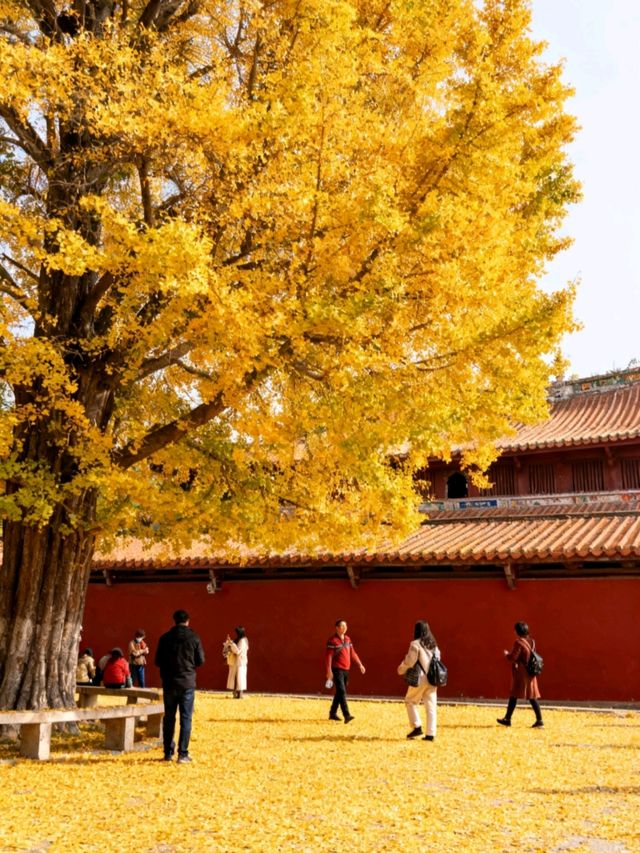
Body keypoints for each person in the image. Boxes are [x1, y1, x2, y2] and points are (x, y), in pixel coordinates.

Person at [155, 609, 205, 764]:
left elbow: (157, 661)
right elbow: (201, 660)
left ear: (174, 620)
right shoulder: (194, 638)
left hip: (169, 683)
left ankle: (167, 753)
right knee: (186, 718)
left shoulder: (164, 638)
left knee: (169, 718)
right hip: (187, 683)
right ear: (188, 621)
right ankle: (183, 754)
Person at [397, 620, 441, 741]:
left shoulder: (415, 644)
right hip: (433, 678)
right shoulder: (433, 644)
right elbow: (438, 657)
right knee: (431, 706)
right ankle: (430, 734)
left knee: (410, 701)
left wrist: (401, 669)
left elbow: (410, 661)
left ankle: (417, 726)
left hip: (420, 678)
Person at [497, 621, 544, 728]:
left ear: (517, 631)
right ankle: (539, 720)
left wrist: (506, 654)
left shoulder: (518, 642)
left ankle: (507, 719)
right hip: (531, 671)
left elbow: (513, 657)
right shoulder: (532, 641)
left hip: (522, 673)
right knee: (532, 697)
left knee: (514, 695)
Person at [325, 619, 365, 723]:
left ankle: (332, 713)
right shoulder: (332, 640)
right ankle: (346, 715)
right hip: (337, 669)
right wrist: (329, 671)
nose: (345, 628)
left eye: (345, 626)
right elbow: (328, 657)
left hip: (346, 669)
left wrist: (360, 664)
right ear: (337, 628)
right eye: (342, 626)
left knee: (340, 692)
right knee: (342, 691)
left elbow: (353, 653)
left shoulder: (347, 639)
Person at [223, 626, 249, 698]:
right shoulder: (239, 639)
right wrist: (230, 643)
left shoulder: (243, 641)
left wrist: (232, 644)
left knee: (240, 678)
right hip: (236, 662)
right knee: (235, 678)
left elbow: (238, 651)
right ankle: (236, 694)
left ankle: (240, 695)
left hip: (241, 663)